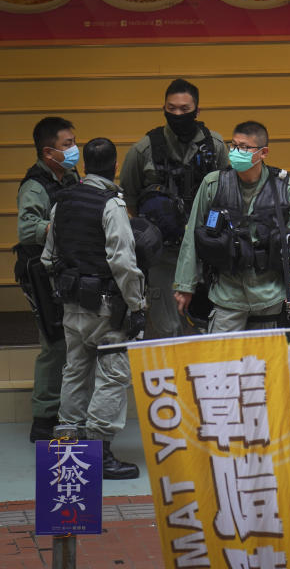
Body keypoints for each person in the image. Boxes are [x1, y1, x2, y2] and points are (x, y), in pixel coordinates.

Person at [41, 138, 146, 480]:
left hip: (72, 304)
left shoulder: (62, 201)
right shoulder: (111, 205)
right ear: (115, 167)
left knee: (74, 370)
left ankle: (68, 441)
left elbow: (48, 257)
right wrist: (137, 305)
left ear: (83, 166)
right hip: (106, 307)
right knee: (112, 375)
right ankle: (100, 451)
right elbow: (123, 263)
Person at [173, 121, 290, 333]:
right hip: (227, 294)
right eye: (234, 145)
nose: (237, 152)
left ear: (263, 152)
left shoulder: (282, 186)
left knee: (265, 363)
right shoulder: (213, 184)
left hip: (270, 293)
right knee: (223, 364)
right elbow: (192, 235)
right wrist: (185, 285)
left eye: (245, 147)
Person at [118, 79, 229, 338]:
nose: (178, 114)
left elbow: (227, 195)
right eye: (172, 108)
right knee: (167, 330)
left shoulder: (215, 146)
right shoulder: (143, 149)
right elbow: (128, 200)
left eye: (184, 109)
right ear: (164, 108)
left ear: (197, 111)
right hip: (163, 258)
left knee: (208, 328)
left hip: (205, 255)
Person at [15, 117, 80, 442]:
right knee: (53, 345)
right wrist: (62, 226)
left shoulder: (69, 177)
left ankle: (66, 413)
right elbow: (27, 230)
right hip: (41, 275)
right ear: (48, 151)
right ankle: (43, 419)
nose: (73, 150)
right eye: (67, 145)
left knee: (71, 344)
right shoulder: (35, 185)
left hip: (66, 271)